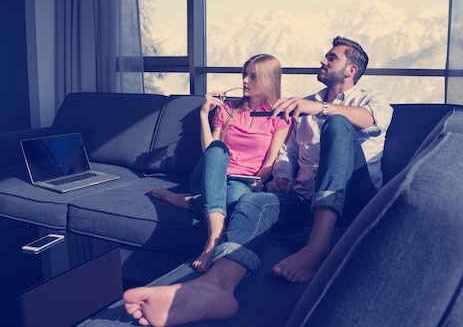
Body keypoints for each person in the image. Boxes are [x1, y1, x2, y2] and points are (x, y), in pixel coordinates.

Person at [123, 37, 393, 326]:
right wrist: (282, 178)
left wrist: (322, 110)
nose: (322, 61)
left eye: (331, 57)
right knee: (253, 202)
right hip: (304, 200)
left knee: (338, 123)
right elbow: (288, 152)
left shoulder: (366, 99)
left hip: (354, 197)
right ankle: (216, 286)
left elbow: (374, 119)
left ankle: (318, 245)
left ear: (351, 69)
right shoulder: (305, 104)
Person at [149, 53, 290, 272]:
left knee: (236, 198)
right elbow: (210, 151)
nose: (244, 80)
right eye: (245, 75)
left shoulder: (279, 117)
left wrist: (260, 180)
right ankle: (214, 235)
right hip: (209, 175)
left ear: (268, 80)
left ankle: (181, 200)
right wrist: (204, 114)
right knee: (218, 149)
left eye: (252, 76)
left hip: (242, 183)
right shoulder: (228, 109)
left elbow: (270, 161)